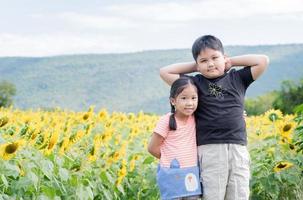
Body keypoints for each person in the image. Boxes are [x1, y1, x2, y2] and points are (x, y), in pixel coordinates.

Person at [159, 35, 269, 200]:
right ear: (197, 64)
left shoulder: (237, 78)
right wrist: (196, 67)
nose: (210, 64)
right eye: (204, 61)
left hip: (238, 147)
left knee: (239, 194)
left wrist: (230, 62)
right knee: (213, 195)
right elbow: (165, 72)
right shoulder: (195, 83)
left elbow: (263, 60)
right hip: (210, 149)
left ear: (223, 57)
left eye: (215, 58)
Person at [148, 76, 202, 200]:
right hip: (171, 175)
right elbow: (152, 148)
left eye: (194, 98)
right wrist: (169, 159)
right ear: (173, 101)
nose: (190, 103)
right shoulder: (166, 120)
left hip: (191, 173)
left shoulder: (196, 118)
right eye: (184, 98)